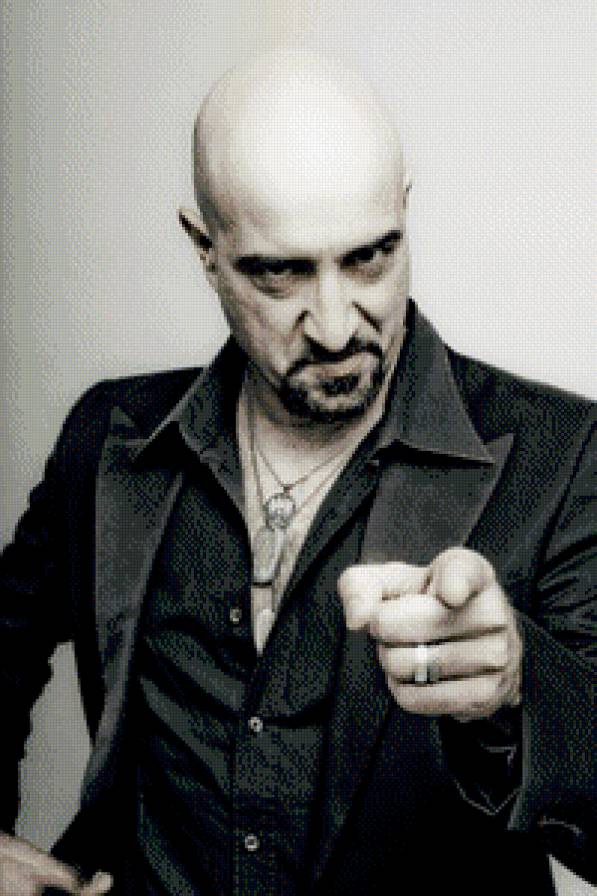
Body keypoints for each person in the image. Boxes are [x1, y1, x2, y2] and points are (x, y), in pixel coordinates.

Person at [0, 48, 594, 896]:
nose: (335, 324)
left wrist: (516, 688)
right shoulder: (108, 438)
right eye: (279, 272)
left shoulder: (562, 455)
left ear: (403, 212)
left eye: (369, 258)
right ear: (205, 248)